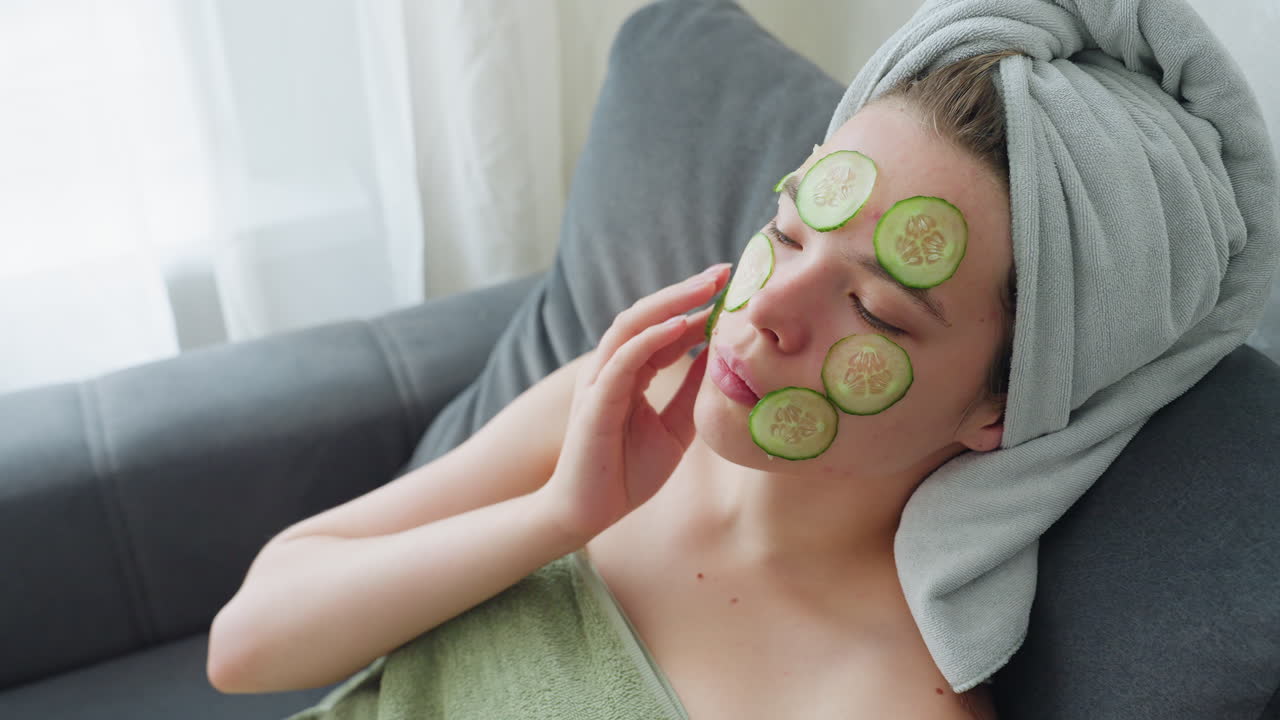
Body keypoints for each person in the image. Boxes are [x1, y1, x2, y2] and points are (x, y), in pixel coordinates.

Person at [206, 49, 1013, 719]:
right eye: (788, 232)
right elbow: (243, 647)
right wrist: (557, 516)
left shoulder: (888, 700)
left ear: (996, 410)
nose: (766, 305)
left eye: (874, 310)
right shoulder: (616, 412)